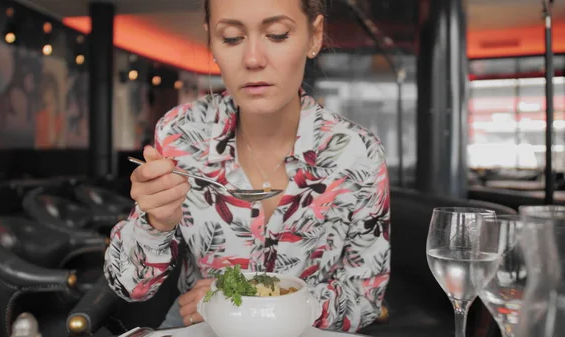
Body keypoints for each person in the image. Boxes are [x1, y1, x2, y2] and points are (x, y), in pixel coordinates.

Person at [104, 0, 391, 332]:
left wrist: (245, 302)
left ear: (314, 36)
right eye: (231, 38)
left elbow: (366, 297)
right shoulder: (182, 133)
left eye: (277, 34)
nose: (253, 59)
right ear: (211, 40)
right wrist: (156, 222)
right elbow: (128, 285)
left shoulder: (357, 152)